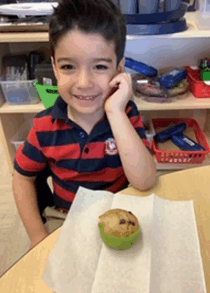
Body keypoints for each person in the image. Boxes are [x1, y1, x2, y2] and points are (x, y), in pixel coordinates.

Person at [12, 0, 156, 250]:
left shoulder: (125, 114)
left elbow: (144, 181)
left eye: (100, 66)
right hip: (66, 218)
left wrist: (115, 112)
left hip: (119, 213)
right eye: (69, 67)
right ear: (55, 68)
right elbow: (22, 178)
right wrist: (37, 235)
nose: (83, 82)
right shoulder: (44, 126)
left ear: (119, 70)